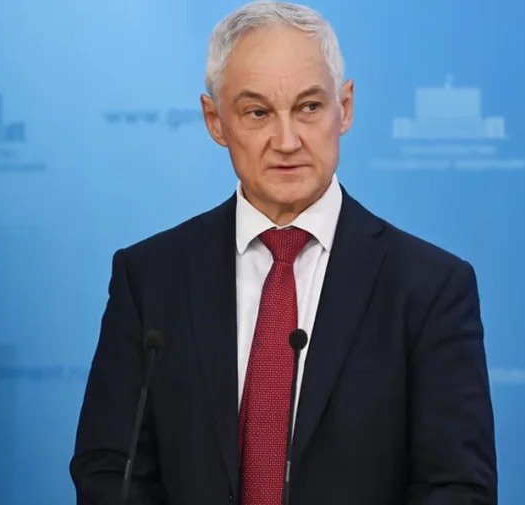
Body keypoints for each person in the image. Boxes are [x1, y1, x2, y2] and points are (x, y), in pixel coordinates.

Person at [69, 1, 498, 504]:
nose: (287, 141)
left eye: (309, 107)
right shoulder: (150, 278)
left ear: (345, 108)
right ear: (215, 121)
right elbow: (109, 470)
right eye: (258, 113)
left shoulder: (429, 288)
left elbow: (457, 488)